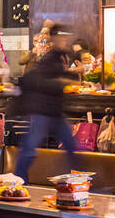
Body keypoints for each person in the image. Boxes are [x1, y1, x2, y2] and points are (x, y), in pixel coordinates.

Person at [13, 24, 77, 181]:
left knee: (71, 146)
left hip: (54, 112)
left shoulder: (59, 56)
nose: (65, 40)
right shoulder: (49, 58)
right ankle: (19, 180)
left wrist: (70, 76)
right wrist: (62, 81)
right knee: (29, 149)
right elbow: (39, 81)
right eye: (62, 37)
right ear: (54, 39)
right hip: (41, 111)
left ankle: (82, 183)